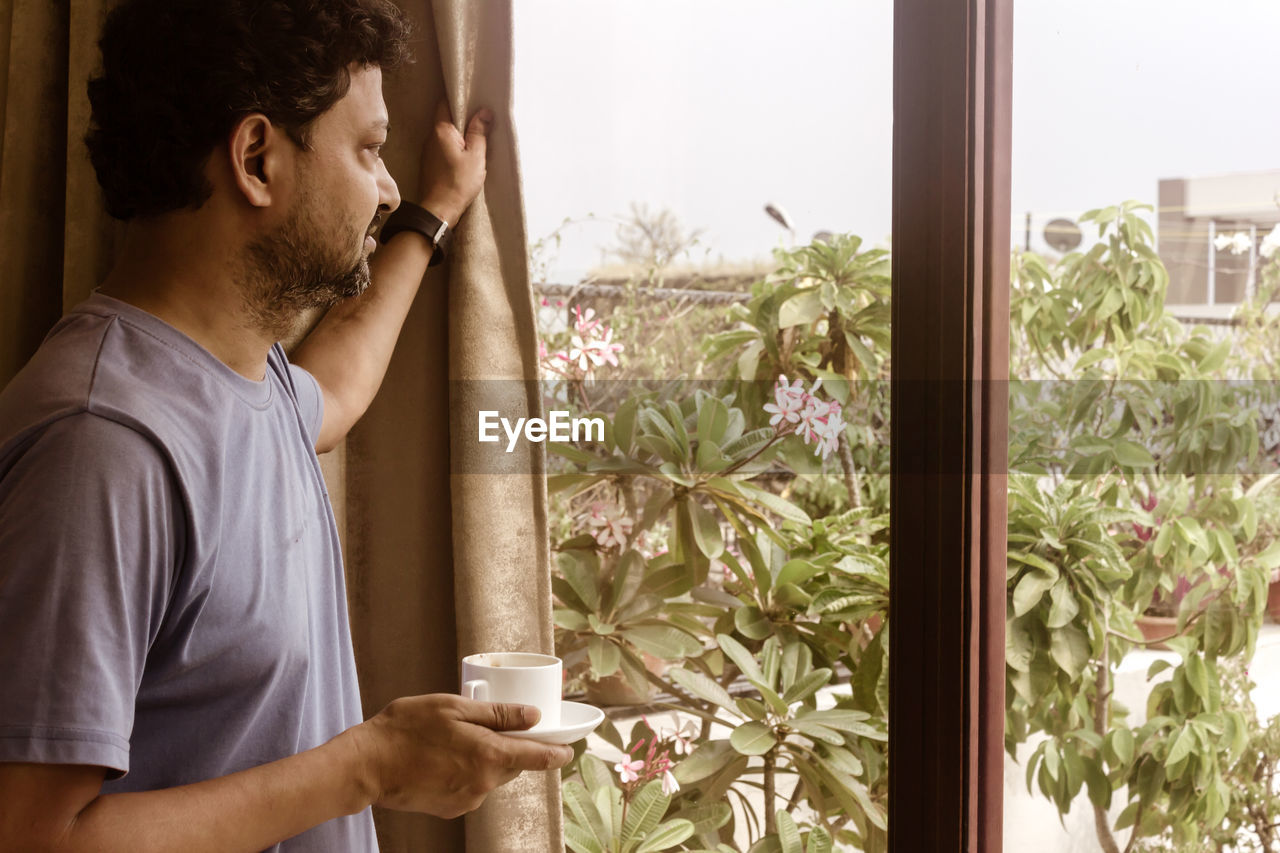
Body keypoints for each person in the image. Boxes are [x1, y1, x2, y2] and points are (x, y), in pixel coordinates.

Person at [0, 1, 573, 850]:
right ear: (257, 158)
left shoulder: (236, 373)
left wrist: (431, 215)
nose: (384, 189)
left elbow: (329, 397)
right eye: (370, 151)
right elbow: (34, 838)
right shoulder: (105, 448)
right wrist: (367, 766)